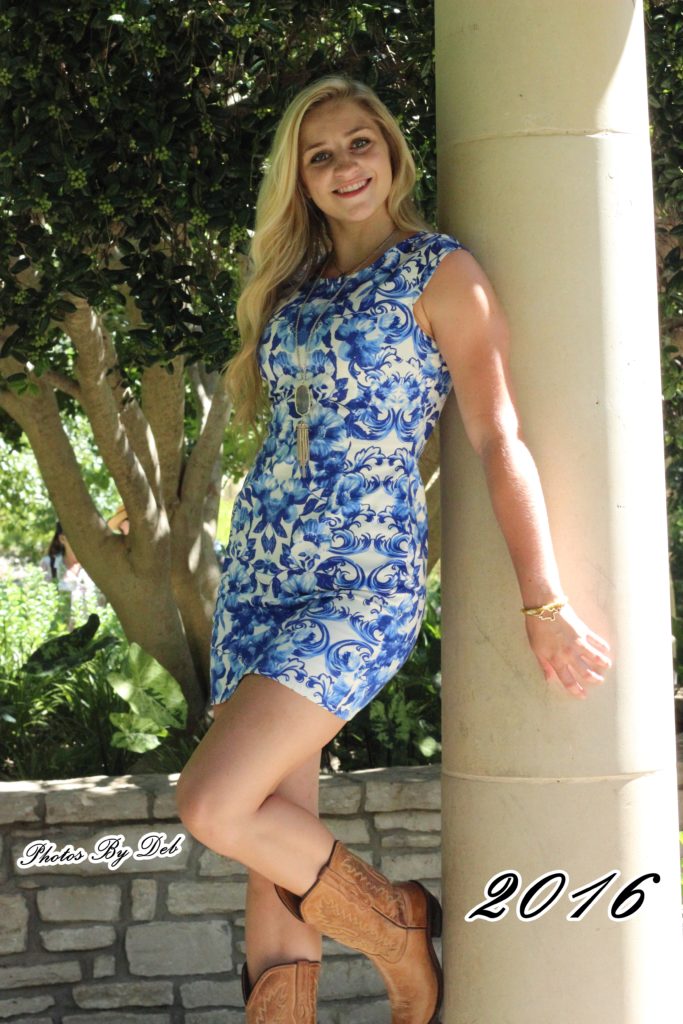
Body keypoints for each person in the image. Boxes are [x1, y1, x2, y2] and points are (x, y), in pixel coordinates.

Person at [175, 75, 613, 1023]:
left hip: (359, 584)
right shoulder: (292, 288)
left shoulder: (440, 273)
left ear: (391, 151)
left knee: (214, 805)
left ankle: (398, 929)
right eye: (320, 155)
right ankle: (372, 945)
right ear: (299, 177)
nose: (343, 166)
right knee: (270, 843)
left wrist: (542, 598)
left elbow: (497, 436)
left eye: (358, 143)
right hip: (259, 575)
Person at [39, 521, 106, 629]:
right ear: (62, 539)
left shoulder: (97, 566)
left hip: (93, 634)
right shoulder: (49, 564)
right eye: (76, 534)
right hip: (60, 634)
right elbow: (40, 604)